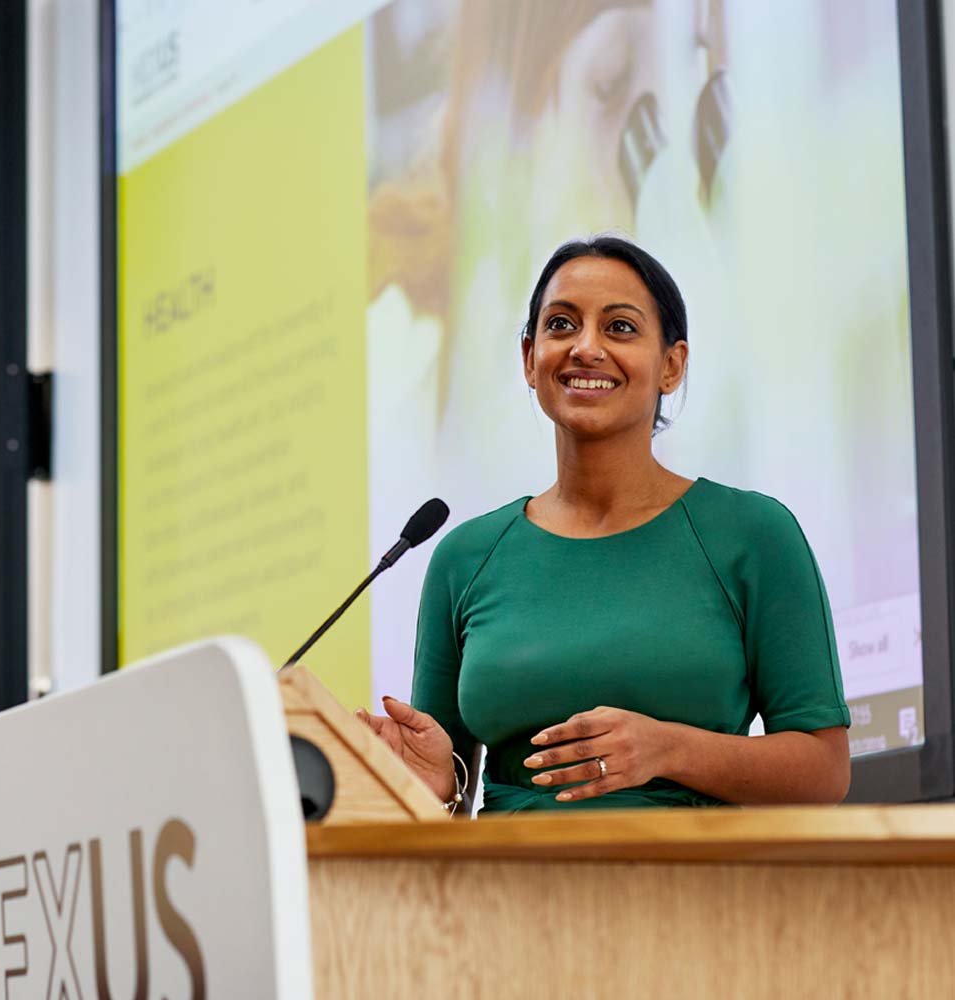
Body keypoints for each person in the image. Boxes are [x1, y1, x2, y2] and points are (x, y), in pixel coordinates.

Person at [356, 235, 852, 811]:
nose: (585, 347)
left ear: (672, 365)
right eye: (561, 325)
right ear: (528, 359)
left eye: (619, 328)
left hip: (695, 892)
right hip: (505, 892)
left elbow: (824, 770)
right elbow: (449, 792)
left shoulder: (752, 533)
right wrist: (433, 785)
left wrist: (668, 748)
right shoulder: (465, 556)